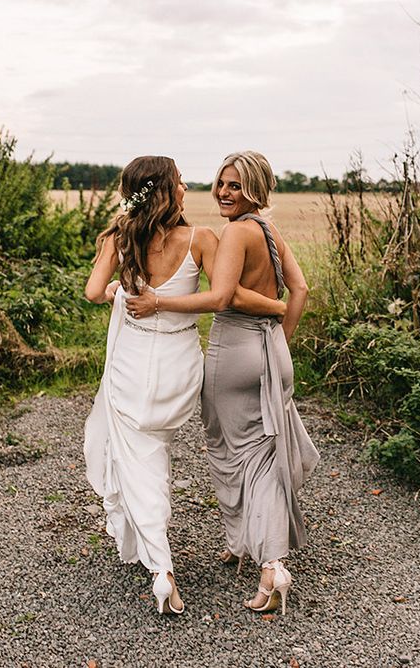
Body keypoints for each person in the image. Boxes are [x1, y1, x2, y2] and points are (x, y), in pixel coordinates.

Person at [83, 155, 285, 615]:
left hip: (132, 364)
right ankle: (254, 549)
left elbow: (95, 291)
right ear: (164, 191)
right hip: (179, 365)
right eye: (179, 181)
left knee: (142, 457)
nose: (186, 186)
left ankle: (161, 569)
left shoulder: (119, 237)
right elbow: (226, 296)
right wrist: (277, 308)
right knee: (165, 446)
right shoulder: (201, 239)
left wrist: (119, 290)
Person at [126, 150, 319, 615]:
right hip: (270, 350)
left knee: (235, 456)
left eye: (234, 185)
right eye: (220, 183)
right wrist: (279, 338)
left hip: (233, 352)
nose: (223, 193)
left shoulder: (234, 233)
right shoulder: (271, 232)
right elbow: (301, 290)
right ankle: (242, 545)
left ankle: (271, 563)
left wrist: (158, 305)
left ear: (254, 189)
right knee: (259, 452)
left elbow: (222, 296)